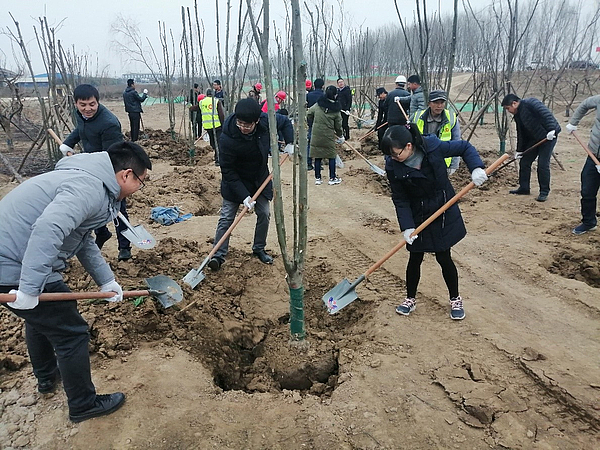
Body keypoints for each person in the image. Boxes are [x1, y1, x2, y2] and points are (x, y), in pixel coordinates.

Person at [0, 141, 152, 423]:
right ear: (126, 175)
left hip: (17, 258)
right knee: (72, 333)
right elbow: (48, 229)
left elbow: (81, 238)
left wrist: (107, 281)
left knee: (41, 318)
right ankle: (83, 404)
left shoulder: (90, 181)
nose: (138, 189)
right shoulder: (88, 189)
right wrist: (30, 288)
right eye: (140, 182)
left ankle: (47, 377)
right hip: (13, 264)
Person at [381, 124, 488, 320]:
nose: (393, 158)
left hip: (442, 207)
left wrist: (476, 168)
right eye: (390, 155)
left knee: (443, 255)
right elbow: (400, 198)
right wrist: (407, 226)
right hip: (418, 212)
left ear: (409, 146)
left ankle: (455, 299)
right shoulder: (392, 166)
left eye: (396, 153)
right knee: (415, 257)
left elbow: (464, 147)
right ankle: (410, 298)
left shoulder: (433, 147)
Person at [207, 98, 293, 270]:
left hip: (259, 178)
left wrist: (290, 142)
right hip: (235, 182)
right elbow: (228, 171)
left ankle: (259, 248)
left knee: (264, 213)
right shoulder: (227, 137)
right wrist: (244, 196)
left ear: (257, 121)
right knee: (227, 217)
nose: (243, 128)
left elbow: (284, 122)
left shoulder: (265, 120)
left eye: (247, 125)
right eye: (240, 123)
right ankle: (218, 255)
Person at [61, 84, 133, 261]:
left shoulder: (109, 123)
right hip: (92, 168)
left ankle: (125, 247)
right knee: (93, 206)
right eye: (83, 104)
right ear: (76, 104)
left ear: (98, 102)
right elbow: (81, 129)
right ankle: (102, 233)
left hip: (113, 170)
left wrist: (82, 161)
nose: (88, 109)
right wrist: (68, 144)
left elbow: (111, 156)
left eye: (92, 104)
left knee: (118, 209)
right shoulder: (81, 115)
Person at [501, 93, 561, 202]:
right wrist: (520, 150)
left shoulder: (531, 103)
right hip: (534, 139)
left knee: (542, 164)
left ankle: (544, 192)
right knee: (525, 162)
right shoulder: (517, 115)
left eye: (507, 108)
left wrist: (552, 130)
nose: (508, 111)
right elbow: (521, 133)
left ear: (514, 103)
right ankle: (524, 188)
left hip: (548, 137)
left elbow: (546, 114)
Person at [566, 95, 600, 235]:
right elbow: (585, 104)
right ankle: (589, 222)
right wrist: (573, 123)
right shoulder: (599, 100)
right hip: (593, 155)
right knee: (587, 190)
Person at [414, 90, 461, 174]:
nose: (439, 106)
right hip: (421, 161)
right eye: (436, 103)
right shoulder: (417, 117)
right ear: (429, 103)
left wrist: (454, 165)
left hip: (442, 162)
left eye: (442, 102)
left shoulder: (451, 118)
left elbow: (456, 142)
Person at [307, 85, 344, 186]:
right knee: (331, 156)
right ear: (335, 95)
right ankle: (332, 178)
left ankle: (318, 178)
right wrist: (341, 136)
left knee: (318, 156)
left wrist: (314, 123)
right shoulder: (336, 109)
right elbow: (338, 126)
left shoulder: (318, 105)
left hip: (316, 134)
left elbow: (309, 114)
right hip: (328, 135)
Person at [200, 88, 225, 166]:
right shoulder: (216, 101)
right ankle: (217, 159)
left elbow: (196, 108)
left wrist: (190, 107)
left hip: (207, 126)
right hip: (217, 126)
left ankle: (215, 154)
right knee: (218, 142)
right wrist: (223, 124)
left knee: (212, 141)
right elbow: (221, 114)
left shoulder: (202, 102)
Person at [306, 78, 325, 171]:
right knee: (319, 144)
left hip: (311, 121)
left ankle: (309, 163)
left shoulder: (308, 95)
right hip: (322, 122)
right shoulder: (324, 95)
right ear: (322, 86)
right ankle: (318, 164)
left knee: (310, 143)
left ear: (314, 85)